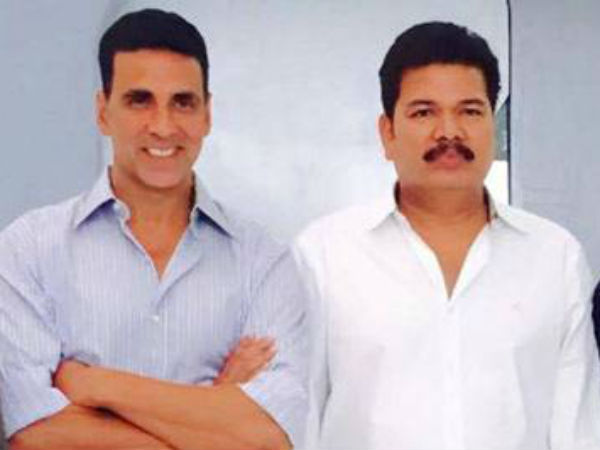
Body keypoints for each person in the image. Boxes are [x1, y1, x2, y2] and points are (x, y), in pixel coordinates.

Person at [0, 9, 306, 450]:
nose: (163, 126)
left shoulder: (265, 262)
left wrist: (95, 385)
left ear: (207, 114)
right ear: (103, 112)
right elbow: (36, 432)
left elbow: (268, 438)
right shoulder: (28, 249)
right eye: (139, 100)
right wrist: (216, 407)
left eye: (183, 102)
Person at [294, 22, 600, 450]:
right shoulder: (325, 254)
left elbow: (579, 430)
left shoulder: (556, 257)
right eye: (424, 112)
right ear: (387, 133)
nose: (449, 132)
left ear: (493, 125)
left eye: (470, 111)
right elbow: (300, 419)